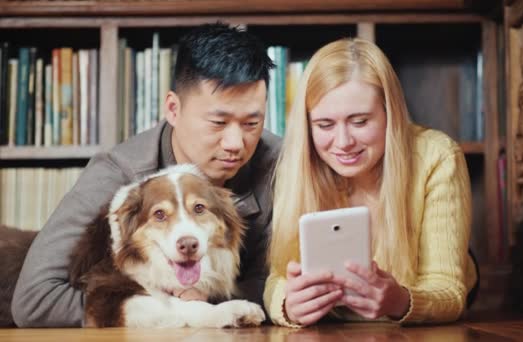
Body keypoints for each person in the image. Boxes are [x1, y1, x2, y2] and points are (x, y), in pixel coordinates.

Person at [12, 23, 280, 327]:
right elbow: (35, 300)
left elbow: (271, 282)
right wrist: (169, 312)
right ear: (173, 109)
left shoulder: (279, 165)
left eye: (250, 124)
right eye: (218, 123)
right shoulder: (119, 173)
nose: (235, 144)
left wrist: (207, 303)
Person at [264, 38, 479, 327]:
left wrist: (399, 300)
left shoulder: (437, 156)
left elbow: (449, 292)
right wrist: (287, 304)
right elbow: (276, 278)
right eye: (325, 125)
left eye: (360, 121)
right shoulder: (298, 164)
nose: (343, 143)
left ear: (390, 113)